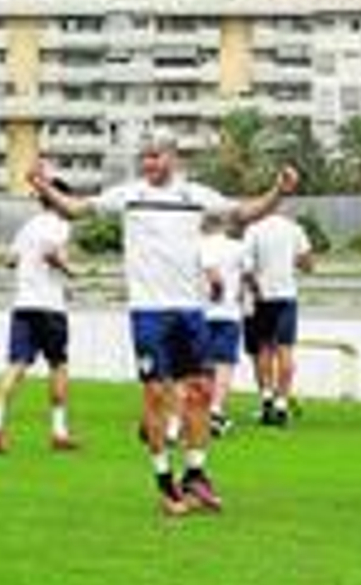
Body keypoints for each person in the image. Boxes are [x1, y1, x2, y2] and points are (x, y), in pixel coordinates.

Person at [28, 130, 298, 516]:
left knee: (202, 391)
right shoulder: (130, 194)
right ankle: (163, 481)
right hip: (149, 312)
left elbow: (242, 212)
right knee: (156, 396)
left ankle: (195, 474)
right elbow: (75, 208)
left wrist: (279, 191)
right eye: (145, 158)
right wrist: (43, 185)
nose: (148, 164)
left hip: (190, 311)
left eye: (155, 157)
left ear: (173, 157)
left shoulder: (195, 196)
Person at [0, 177, 78, 454]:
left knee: (16, 364)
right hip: (49, 305)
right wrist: (71, 271)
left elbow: (10, 260)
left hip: (23, 304)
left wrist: (30, 266)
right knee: (58, 365)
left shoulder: (28, 226)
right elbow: (51, 252)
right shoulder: (60, 225)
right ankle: (59, 432)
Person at [244, 211, 315, 426]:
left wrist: (256, 288)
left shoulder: (254, 229)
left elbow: (246, 268)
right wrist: (289, 262)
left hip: (262, 296)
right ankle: (282, 404)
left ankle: (267, 399)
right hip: (286, 296)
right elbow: (308, 265)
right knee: (285, 349)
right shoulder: (295, 229)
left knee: (264, 348)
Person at [199, 215, 250, 437]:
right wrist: (239, 294)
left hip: (201, 312)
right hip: (229, 313)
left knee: (201, 363)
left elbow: (211, 273)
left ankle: (200, 409)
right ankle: (216, 409)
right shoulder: (238, 247)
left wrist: (215, 293)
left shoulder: (198, 245)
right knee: (225, 363)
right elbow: (247, 274)